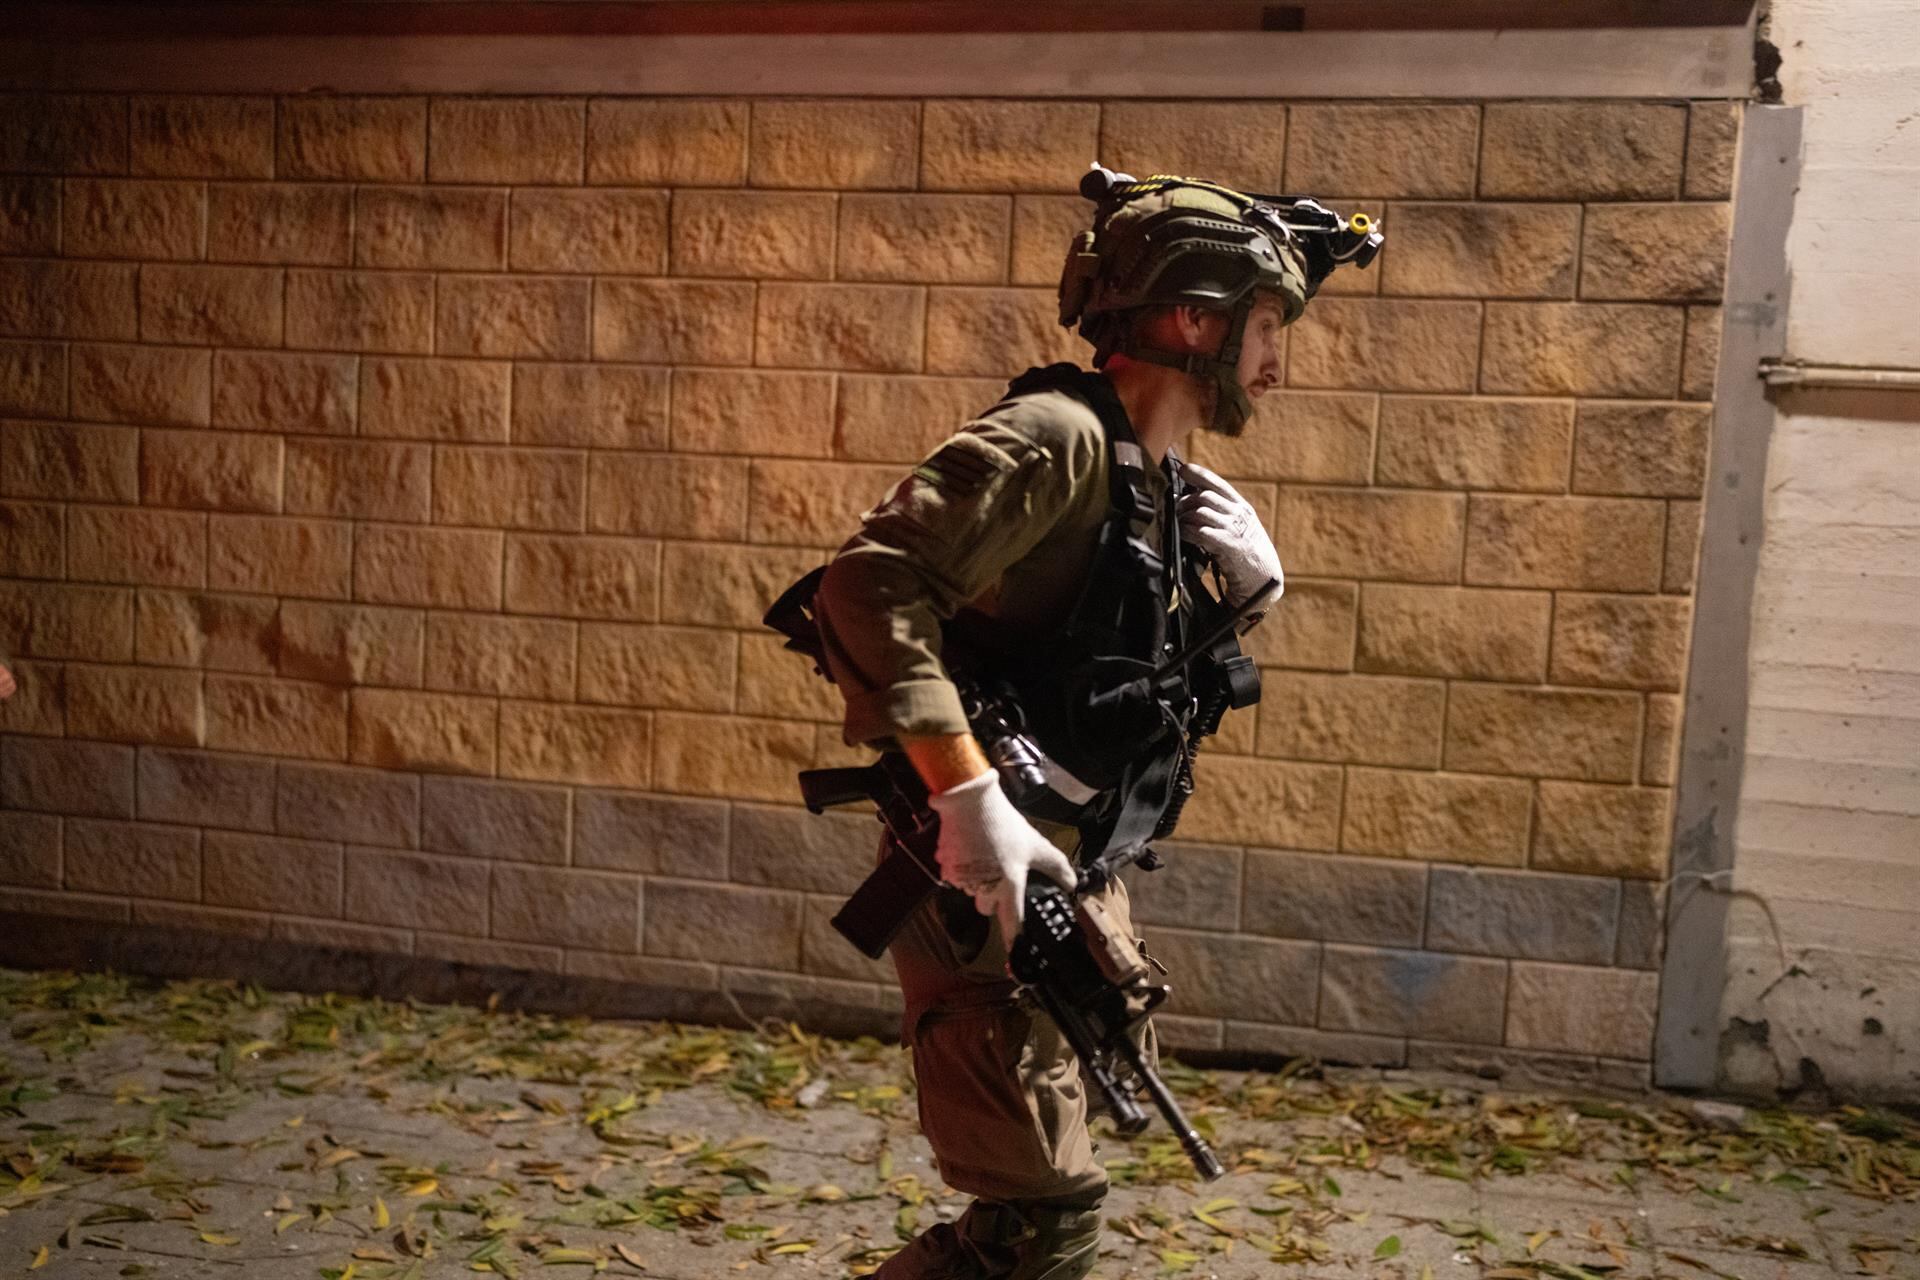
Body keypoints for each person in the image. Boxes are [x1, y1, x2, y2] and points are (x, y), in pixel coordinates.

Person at [807, 169, 1368, 1280]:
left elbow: (1107, 678)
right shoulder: (1057, 438)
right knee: (1035, 1230)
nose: (1276, 360)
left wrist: (1241, 601)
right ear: (1194, 317)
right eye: (1267, 324)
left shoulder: (1150, 476)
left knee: (1039, 1221)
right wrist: (967, 796)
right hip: (978, 865)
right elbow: (867, 584)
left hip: (1065, 864)